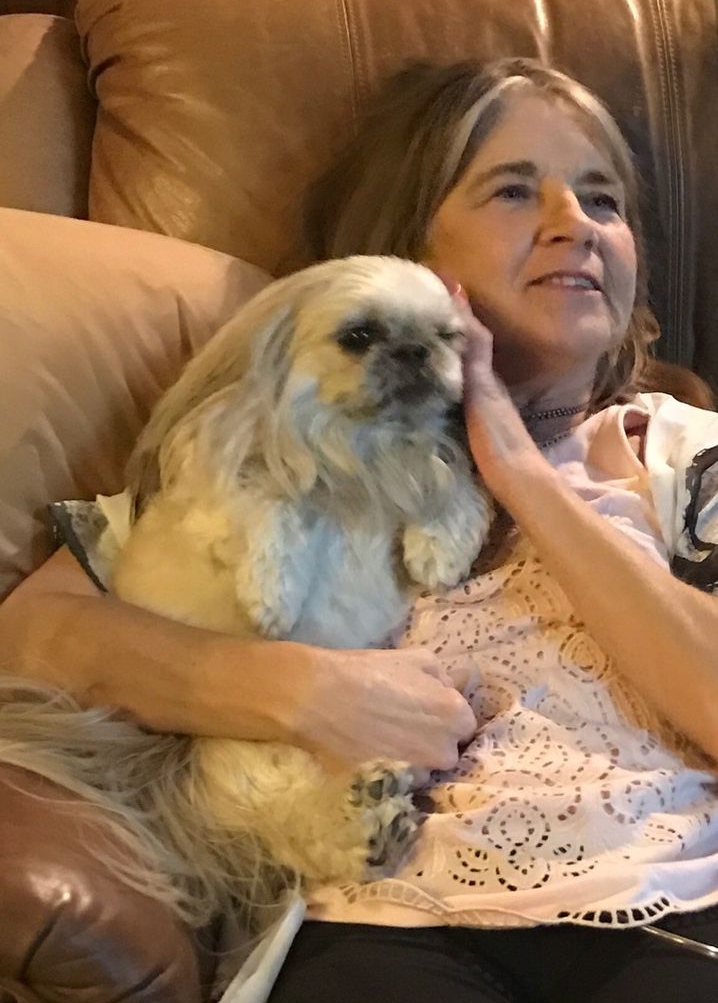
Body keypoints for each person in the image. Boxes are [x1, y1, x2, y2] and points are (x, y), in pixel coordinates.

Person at [1, 55, 717, 1003]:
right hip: (375, 920)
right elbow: (32, 635)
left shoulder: (684, 453)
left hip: (669, 908)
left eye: (603, 200)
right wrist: (300, 690)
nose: (574, 222)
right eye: (514, 190)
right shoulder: (286, 446)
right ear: (406, 246)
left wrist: (519, 470)